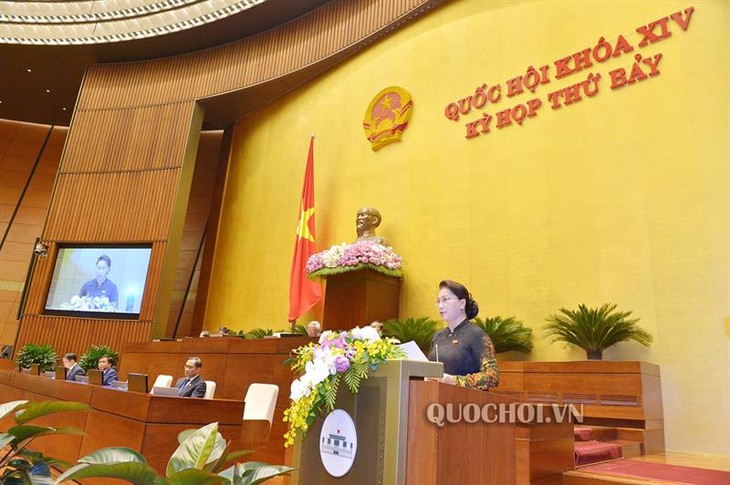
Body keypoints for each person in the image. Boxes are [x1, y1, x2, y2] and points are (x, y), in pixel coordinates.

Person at [428, 280, 499, 390]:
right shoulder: (437, 337)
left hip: (467, 404)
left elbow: (492, 377)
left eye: (445, 300)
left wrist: (453, 381)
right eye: (438, 301)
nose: (440, 305)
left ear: (462, 303)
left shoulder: (477, 335)